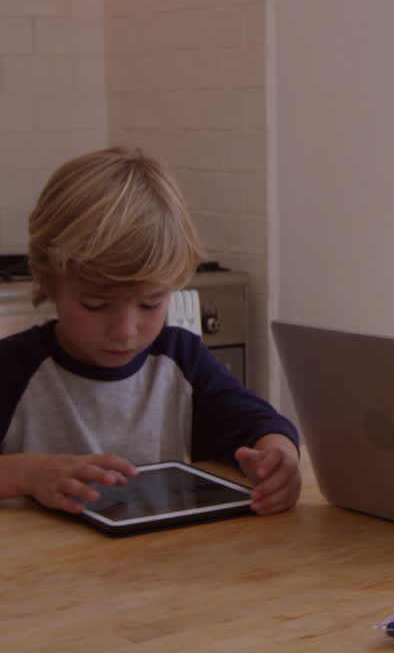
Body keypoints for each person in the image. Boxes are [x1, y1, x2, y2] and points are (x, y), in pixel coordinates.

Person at [0, 146, 301, 516]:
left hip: (156, 568)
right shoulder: (13, 368)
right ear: (49, 282)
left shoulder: (181, 359)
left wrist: (278, 457)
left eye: (150, 303)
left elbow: (258, 423)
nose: (126, 332)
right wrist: (26, 474)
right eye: (95, 305)